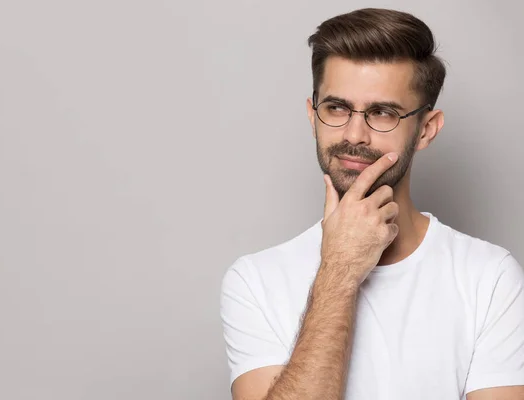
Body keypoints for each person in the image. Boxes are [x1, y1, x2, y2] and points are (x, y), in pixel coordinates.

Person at [219, 8, 524, 400]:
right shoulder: (253, 281)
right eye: (337, 108)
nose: (354, 134)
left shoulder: (490, 279)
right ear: (313, 116)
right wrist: (340, 271)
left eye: (383, 113)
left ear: (426, 129)